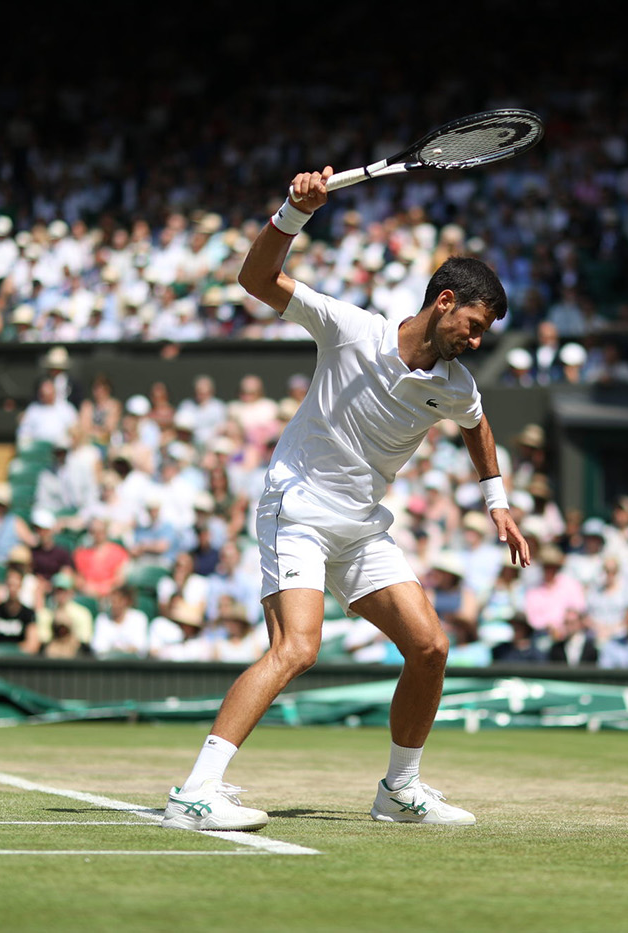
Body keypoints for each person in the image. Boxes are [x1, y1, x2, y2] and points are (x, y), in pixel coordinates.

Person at [162, 166, 529, 833]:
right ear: (442, 300)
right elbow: (256, 280)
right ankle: (196, 789)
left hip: (360, 529)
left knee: (430, 647)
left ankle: (399, 789)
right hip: (296, 509)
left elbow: (478, 426)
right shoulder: (350, 328)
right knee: (297, 647)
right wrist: (292, 213)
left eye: (482, 335)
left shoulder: (455, 383)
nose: (474, 342)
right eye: (472, 326)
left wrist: (496, 499)